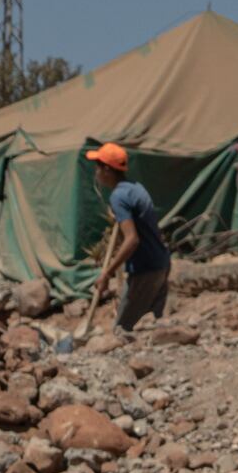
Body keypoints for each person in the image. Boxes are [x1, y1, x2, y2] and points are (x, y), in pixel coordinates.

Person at [75, 141, 170, 339]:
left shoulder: (119, 197)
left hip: (146, 269)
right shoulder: (135, 189)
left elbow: (132, 240)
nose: (96, 172)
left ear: (107, 170)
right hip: (161, 263)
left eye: (98, 166)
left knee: (121, 330)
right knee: (152, 327)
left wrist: (107, 273)